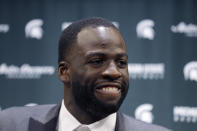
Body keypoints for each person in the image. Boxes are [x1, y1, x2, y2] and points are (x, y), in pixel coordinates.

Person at [0, 17, 172, 131]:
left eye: (121, 63)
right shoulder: (9, 124)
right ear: (64, 71)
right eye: (97, 61)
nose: (114, 72)